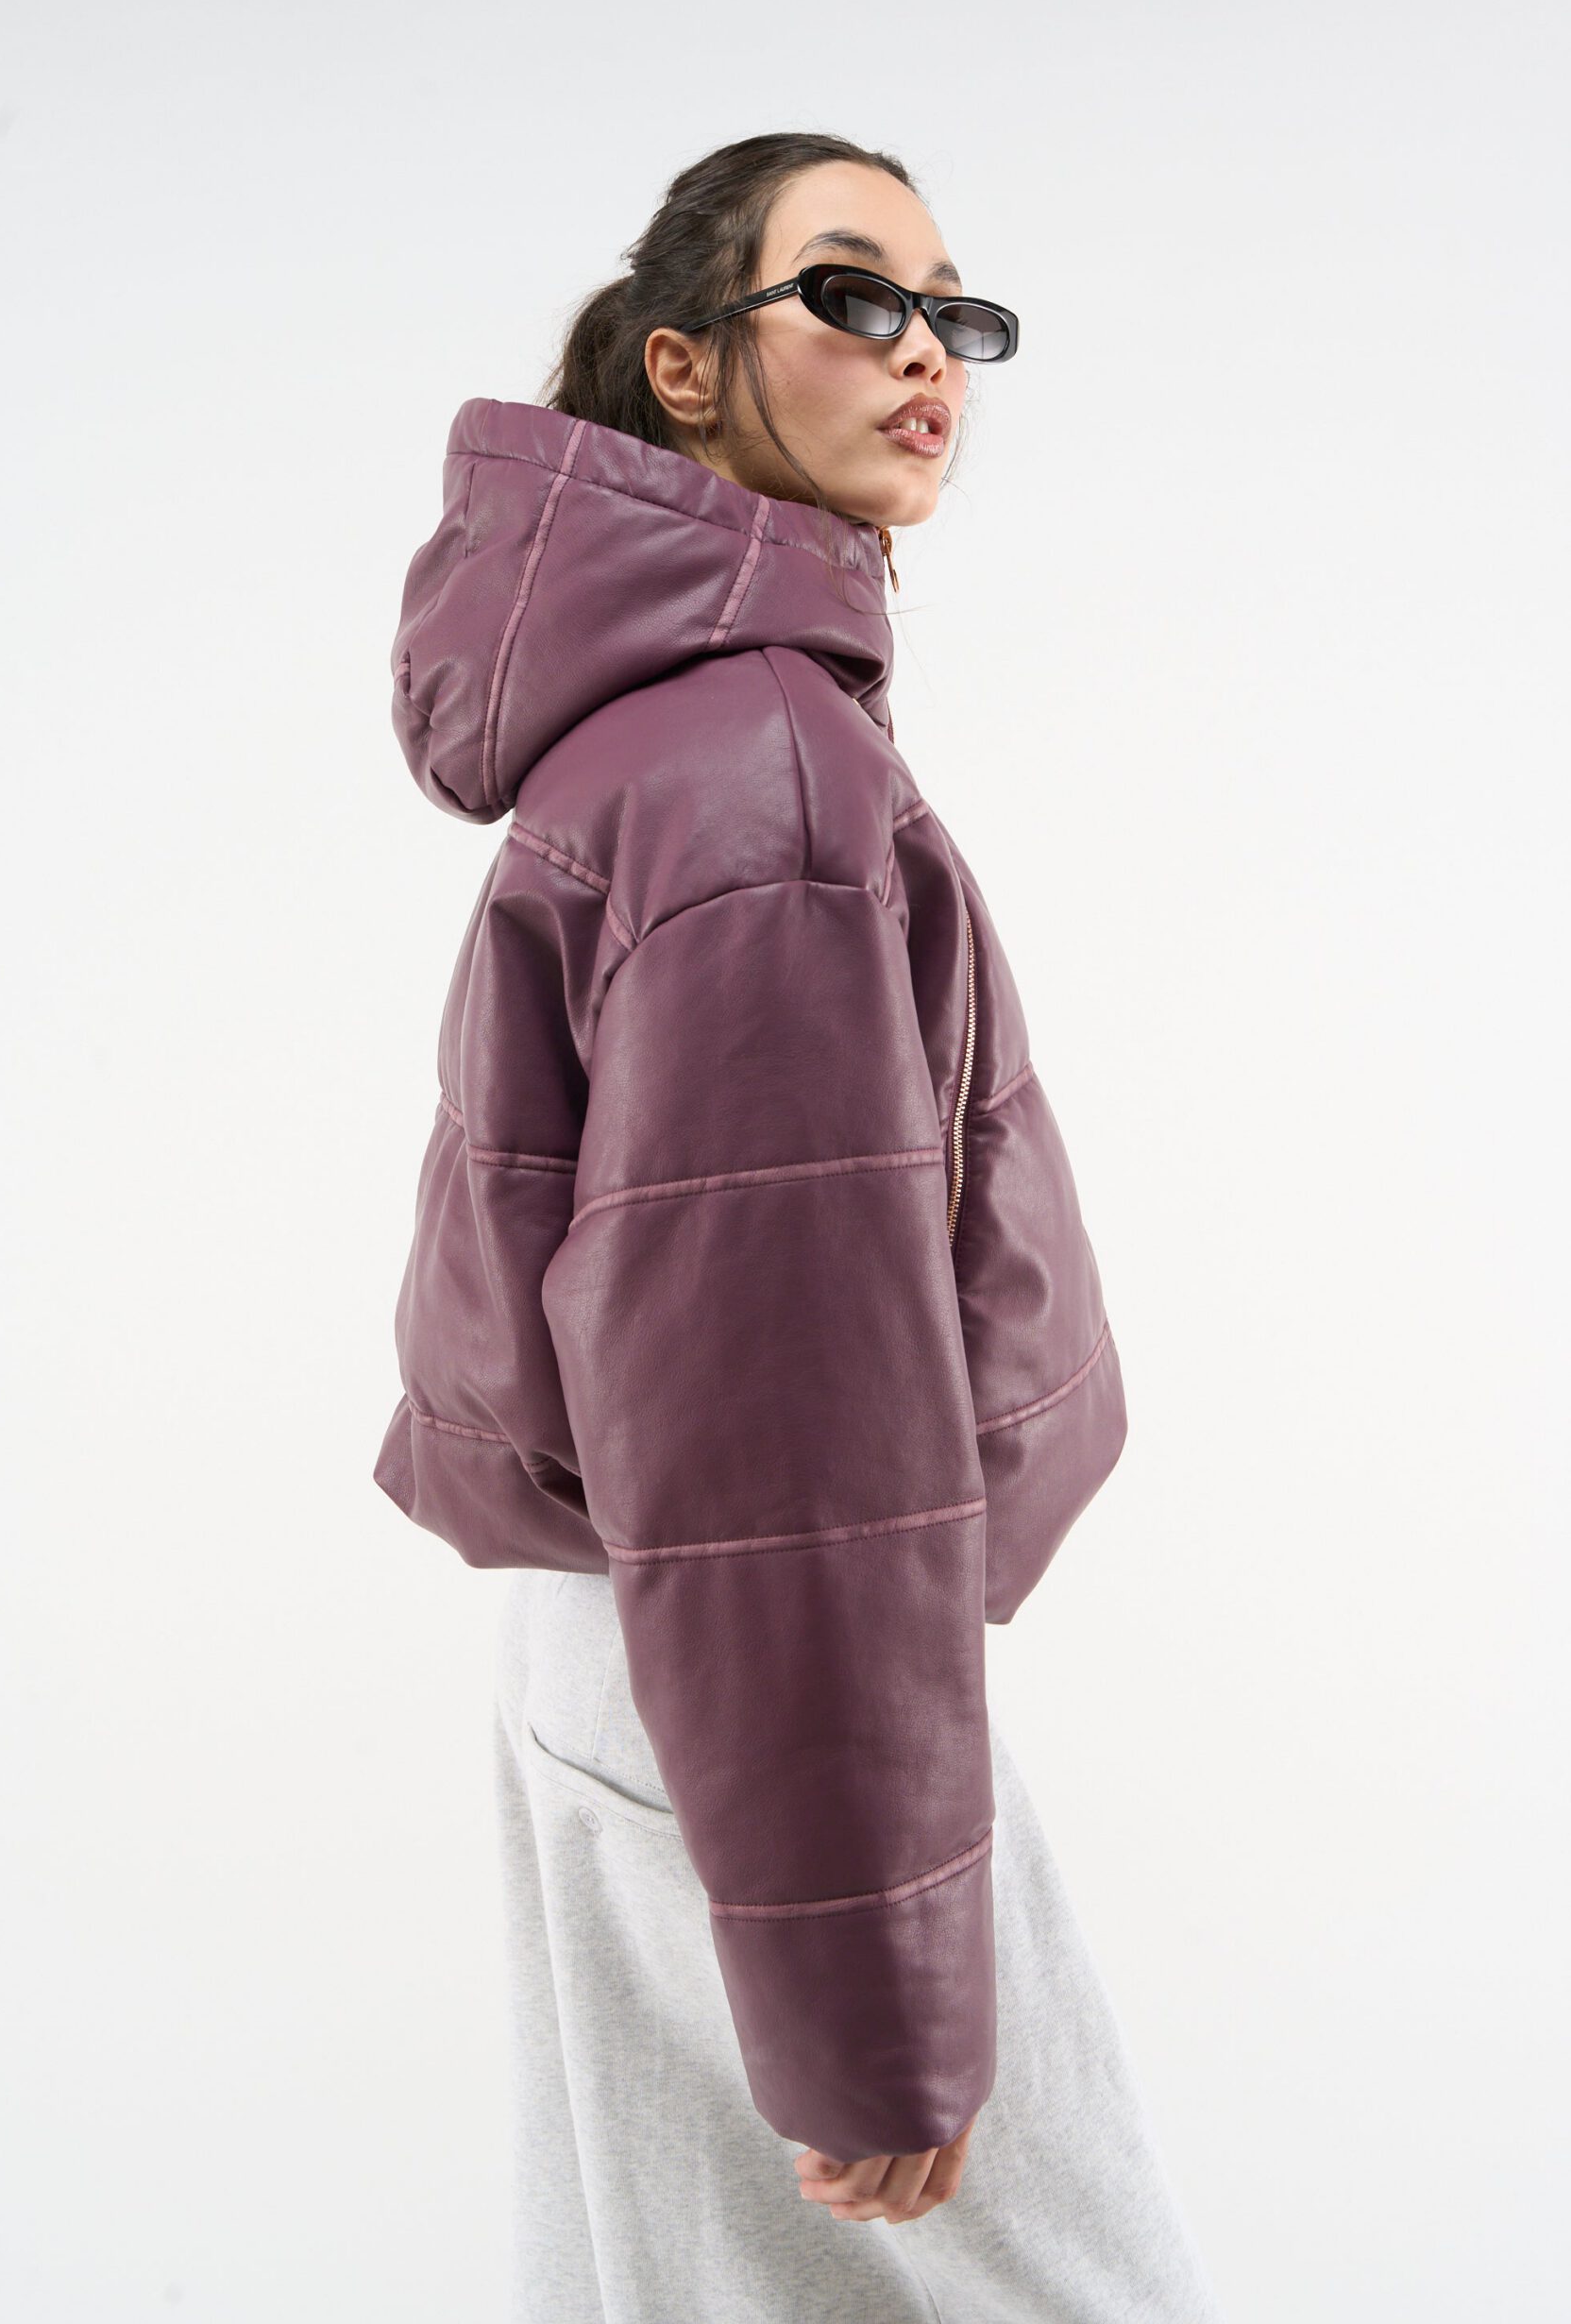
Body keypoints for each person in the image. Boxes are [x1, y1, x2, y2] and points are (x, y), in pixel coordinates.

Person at [373, 130, 1227, 2322]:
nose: (923, 352)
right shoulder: (763, 777)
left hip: (635, 1649)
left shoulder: (669, 738)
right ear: (681, 365)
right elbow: (779, 1429)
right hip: (750, 1662)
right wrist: (871, 2003)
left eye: (955, 312)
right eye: (851, 294)